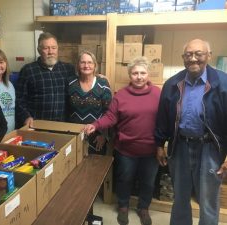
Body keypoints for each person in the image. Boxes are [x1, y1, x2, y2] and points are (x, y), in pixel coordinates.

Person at [154, 39, 227, 225]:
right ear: (183, 58)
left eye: (198, 54)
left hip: (211, 149)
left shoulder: (223, 83)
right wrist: (159, 145)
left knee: (208, 200)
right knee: (179, 198)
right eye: (188, 55)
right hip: (180, 147)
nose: (193, 59)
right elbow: (163, 118)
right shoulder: (172, 84)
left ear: (209, 56)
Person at [84, 56, 161, 225]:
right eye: (135, 73)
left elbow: (165, 118)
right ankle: (123, 207)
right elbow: (111, 117)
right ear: (129, 75)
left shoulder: (157, 94)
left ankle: (143, 208)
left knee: (148, 182)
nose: (139, 76)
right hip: (126, 150)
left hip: (151, 150)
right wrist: (96, 125)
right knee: (124, 180)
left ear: (148, 74)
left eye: (142, 73)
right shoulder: (121, 95)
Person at [15, 32, 75, 128]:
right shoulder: (28, 70)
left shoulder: (68, 69)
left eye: (53, 48)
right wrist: (26, 116)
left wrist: (97, 77)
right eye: (46, 48)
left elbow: (83, 81)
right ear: (39, 50)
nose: (50, 52)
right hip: (37, 126)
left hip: (63, 125)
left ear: (57, 49)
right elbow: (19, 99)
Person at [68, 50, 112, 155]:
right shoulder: (70, 82)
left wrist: (104, 136)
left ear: (94, 65)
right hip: (74, 135)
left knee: (95, 168)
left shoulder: (103, 84)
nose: (86, 65)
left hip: (97, 137)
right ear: (78, 65)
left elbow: (109, 112)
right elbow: (66, 109)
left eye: (90, 62)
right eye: (83, 62)